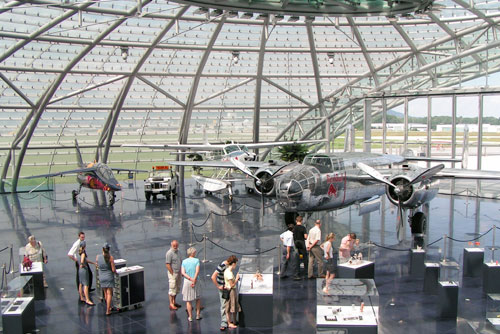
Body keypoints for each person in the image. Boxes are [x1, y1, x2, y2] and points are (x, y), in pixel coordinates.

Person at [181, 247, 202, 322]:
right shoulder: (196, 261)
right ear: (193, 253)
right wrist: (194, 279)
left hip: (187, 281)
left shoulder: (184, 261)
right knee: (198, 298)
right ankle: (197, 315)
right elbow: (197, 271)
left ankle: (190, 316)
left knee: (188, 300)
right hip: (196, 280)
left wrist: (190, 279)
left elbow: (183, 273)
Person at [96, 243, 116, 315]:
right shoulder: (111, 258)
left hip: (102, 277)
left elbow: (97, 265)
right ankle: (108, 310)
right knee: (109, 293)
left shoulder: (98, 257)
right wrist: (116, 272)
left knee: (105, 293)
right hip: (109, 277)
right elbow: (113, 269)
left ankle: (108, 306)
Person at [211, 256, 231, 331]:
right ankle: (224, 322)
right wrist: (218, 286)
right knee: (223, 305)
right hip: (223, 288)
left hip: (227, 287)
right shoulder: (222, 266)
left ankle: (229, 320)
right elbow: (213, 276)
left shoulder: (228, 267)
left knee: (228, 304)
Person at [224, 256, 241, 329]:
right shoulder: (229, 274)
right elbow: (232, 285)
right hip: (231, 291)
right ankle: (229, 322)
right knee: (230, 306)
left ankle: (234, 321)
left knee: (232, 306)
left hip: (230, 290)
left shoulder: (227, 271)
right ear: (233, 264)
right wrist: (237, 279)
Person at [166, 240, 182, 311]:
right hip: (173, 273)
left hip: (178, 272)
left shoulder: (179, 252)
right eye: (174, 245)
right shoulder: (169, 253)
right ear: (171, 245)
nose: (175, 247)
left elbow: (181, 261)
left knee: (177, 288)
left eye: (176, 245)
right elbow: (167, 264)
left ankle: (174, 301)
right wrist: (172, 273)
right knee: (172, 288)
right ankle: (171, 303)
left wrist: (181, 271)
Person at [78, 241, 95, 306]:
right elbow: (82, 261)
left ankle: (82, 297)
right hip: (84, 270)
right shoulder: (83, 253)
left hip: (80, 270)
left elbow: (85, 260)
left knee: (81, 283)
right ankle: (87, 299)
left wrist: (92, 263)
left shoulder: (80, 252)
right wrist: (83, 265)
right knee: (86, 284)